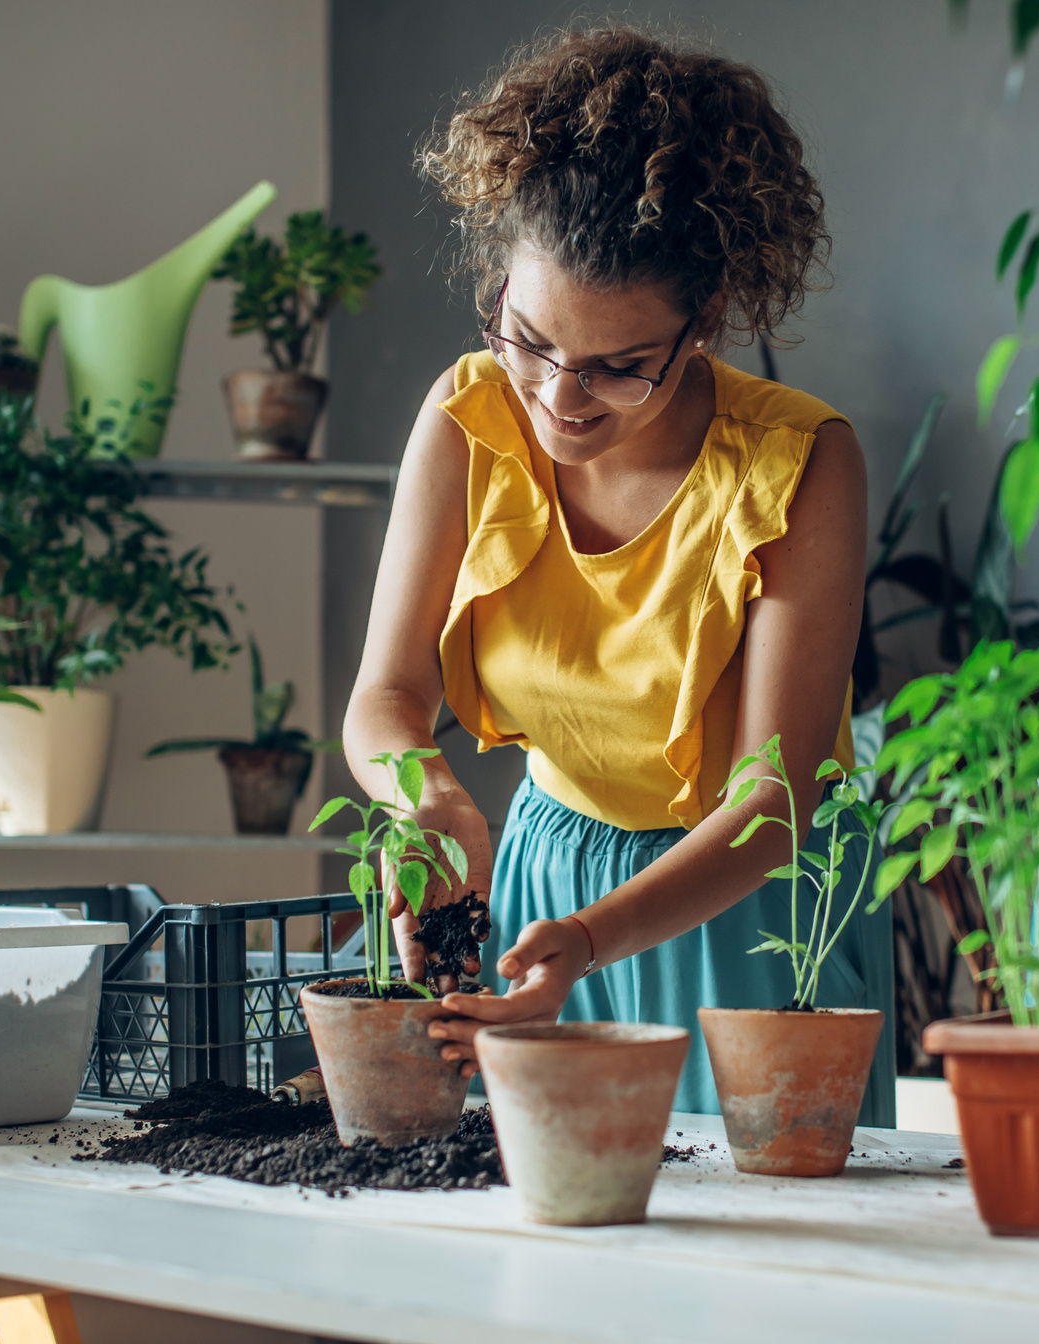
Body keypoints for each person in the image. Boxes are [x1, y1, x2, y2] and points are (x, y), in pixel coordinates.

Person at [341, 25, 892, 1123]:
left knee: (756, 1268)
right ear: (500, 283)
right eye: (528, 338)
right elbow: (388, 699)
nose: (556, 398)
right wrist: (429, 792)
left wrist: (597, 938)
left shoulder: (798, 465)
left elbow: (773, 803)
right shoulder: (467, 422)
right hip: (542, 882)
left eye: (617, 368)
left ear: (705, 326)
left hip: (742, 910)